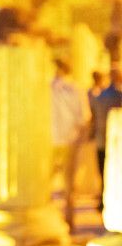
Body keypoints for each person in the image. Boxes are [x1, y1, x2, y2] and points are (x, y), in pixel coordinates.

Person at [50, 59, 89, 229]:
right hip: (68, 140)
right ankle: (68, 218)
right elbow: (84, 118)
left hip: (50, 141)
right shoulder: (75, 89)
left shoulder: (46, 88)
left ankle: (54, 217)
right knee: (68, 183)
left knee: (46, 182)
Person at [89, 66, 122, 212]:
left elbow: (93, 116)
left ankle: (104, 201)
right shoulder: (118, 95)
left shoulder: (100, 96)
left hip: (102, 141)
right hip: (115, 143)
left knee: (103, 172)